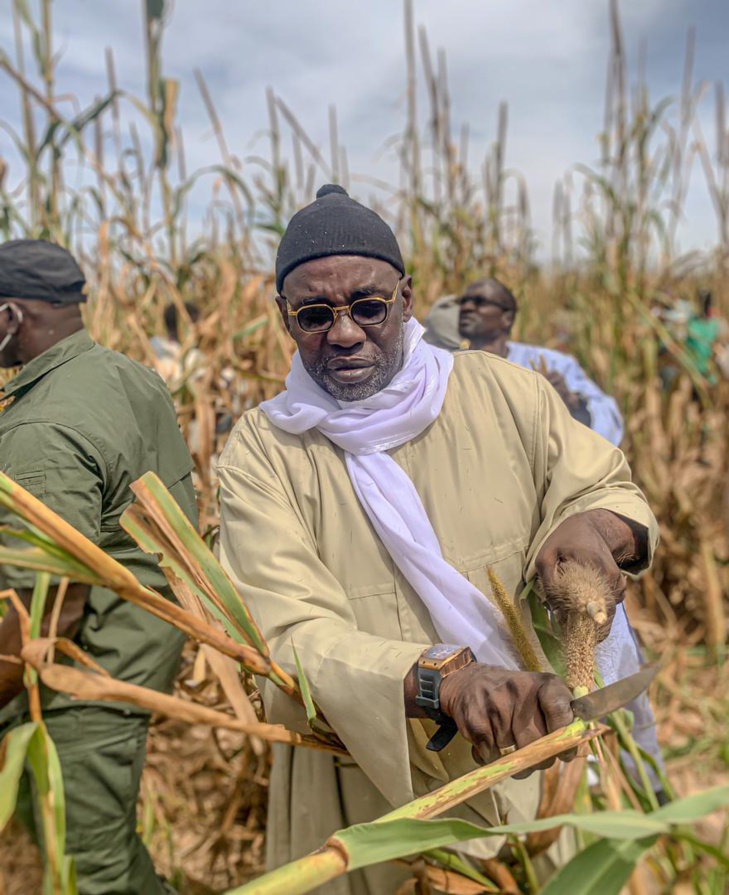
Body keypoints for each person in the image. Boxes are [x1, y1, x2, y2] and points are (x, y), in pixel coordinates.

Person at [217, 185, 660, 894]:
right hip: (374, 798)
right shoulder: (263, 452)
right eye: (314, 315)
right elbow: (285, 636)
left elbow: (604, 486)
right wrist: (442, 682)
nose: (344, 333)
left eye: (368, 306)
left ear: (407, 298)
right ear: (284, 318)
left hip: (539, 761)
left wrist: (594, 526)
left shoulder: (507, 393)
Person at [0, 240, 197, 895]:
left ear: (10, 317)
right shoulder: (127, 375)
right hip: (137, 658)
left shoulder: (40, 428)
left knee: (91, 871)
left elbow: (49, 608)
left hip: (79, 684)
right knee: (100, 853)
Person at [423, 279, 624, 445]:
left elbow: (609, 422)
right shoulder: (445, 365)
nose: (467, 308)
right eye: (464, 302)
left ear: (507, 318)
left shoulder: (551, 363)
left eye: (479, 302)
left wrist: (572, 404)